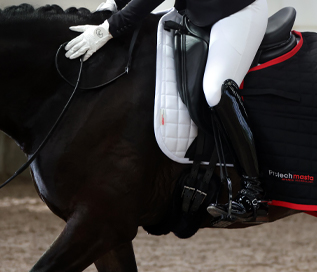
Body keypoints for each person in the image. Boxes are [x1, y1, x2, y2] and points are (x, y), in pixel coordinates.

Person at [65, 0, 268, 221]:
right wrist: (115, 3)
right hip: (197, 10)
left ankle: (253, 193)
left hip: (236, 9)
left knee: (215, 90)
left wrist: (109, 29)